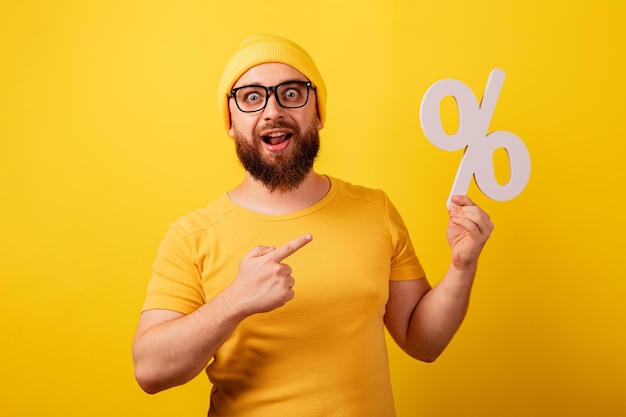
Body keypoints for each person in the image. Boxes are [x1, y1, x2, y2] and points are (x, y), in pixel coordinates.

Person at [132, 34, 493, 417]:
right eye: (252, 97)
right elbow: (150, 371)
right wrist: (235, 301)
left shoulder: (375, 210)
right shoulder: (192, 236)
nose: (272, 111)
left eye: (291, 93)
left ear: (318, 114)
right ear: (231, 123)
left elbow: (423, 343)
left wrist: (461, 266)